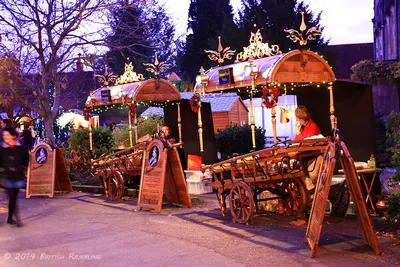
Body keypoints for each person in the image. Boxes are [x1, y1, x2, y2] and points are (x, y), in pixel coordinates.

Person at [0, 127, 29, 226]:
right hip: (6, 176)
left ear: (13, 136)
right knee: (12, 195)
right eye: (4, 135)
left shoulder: (20, 148)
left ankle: (10, 218)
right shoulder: (2, 148)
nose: (5, 137)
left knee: (14, 197)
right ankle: (17, 219)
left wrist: (23, 168)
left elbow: (26, 159)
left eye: (7, 135)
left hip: (17, 176)